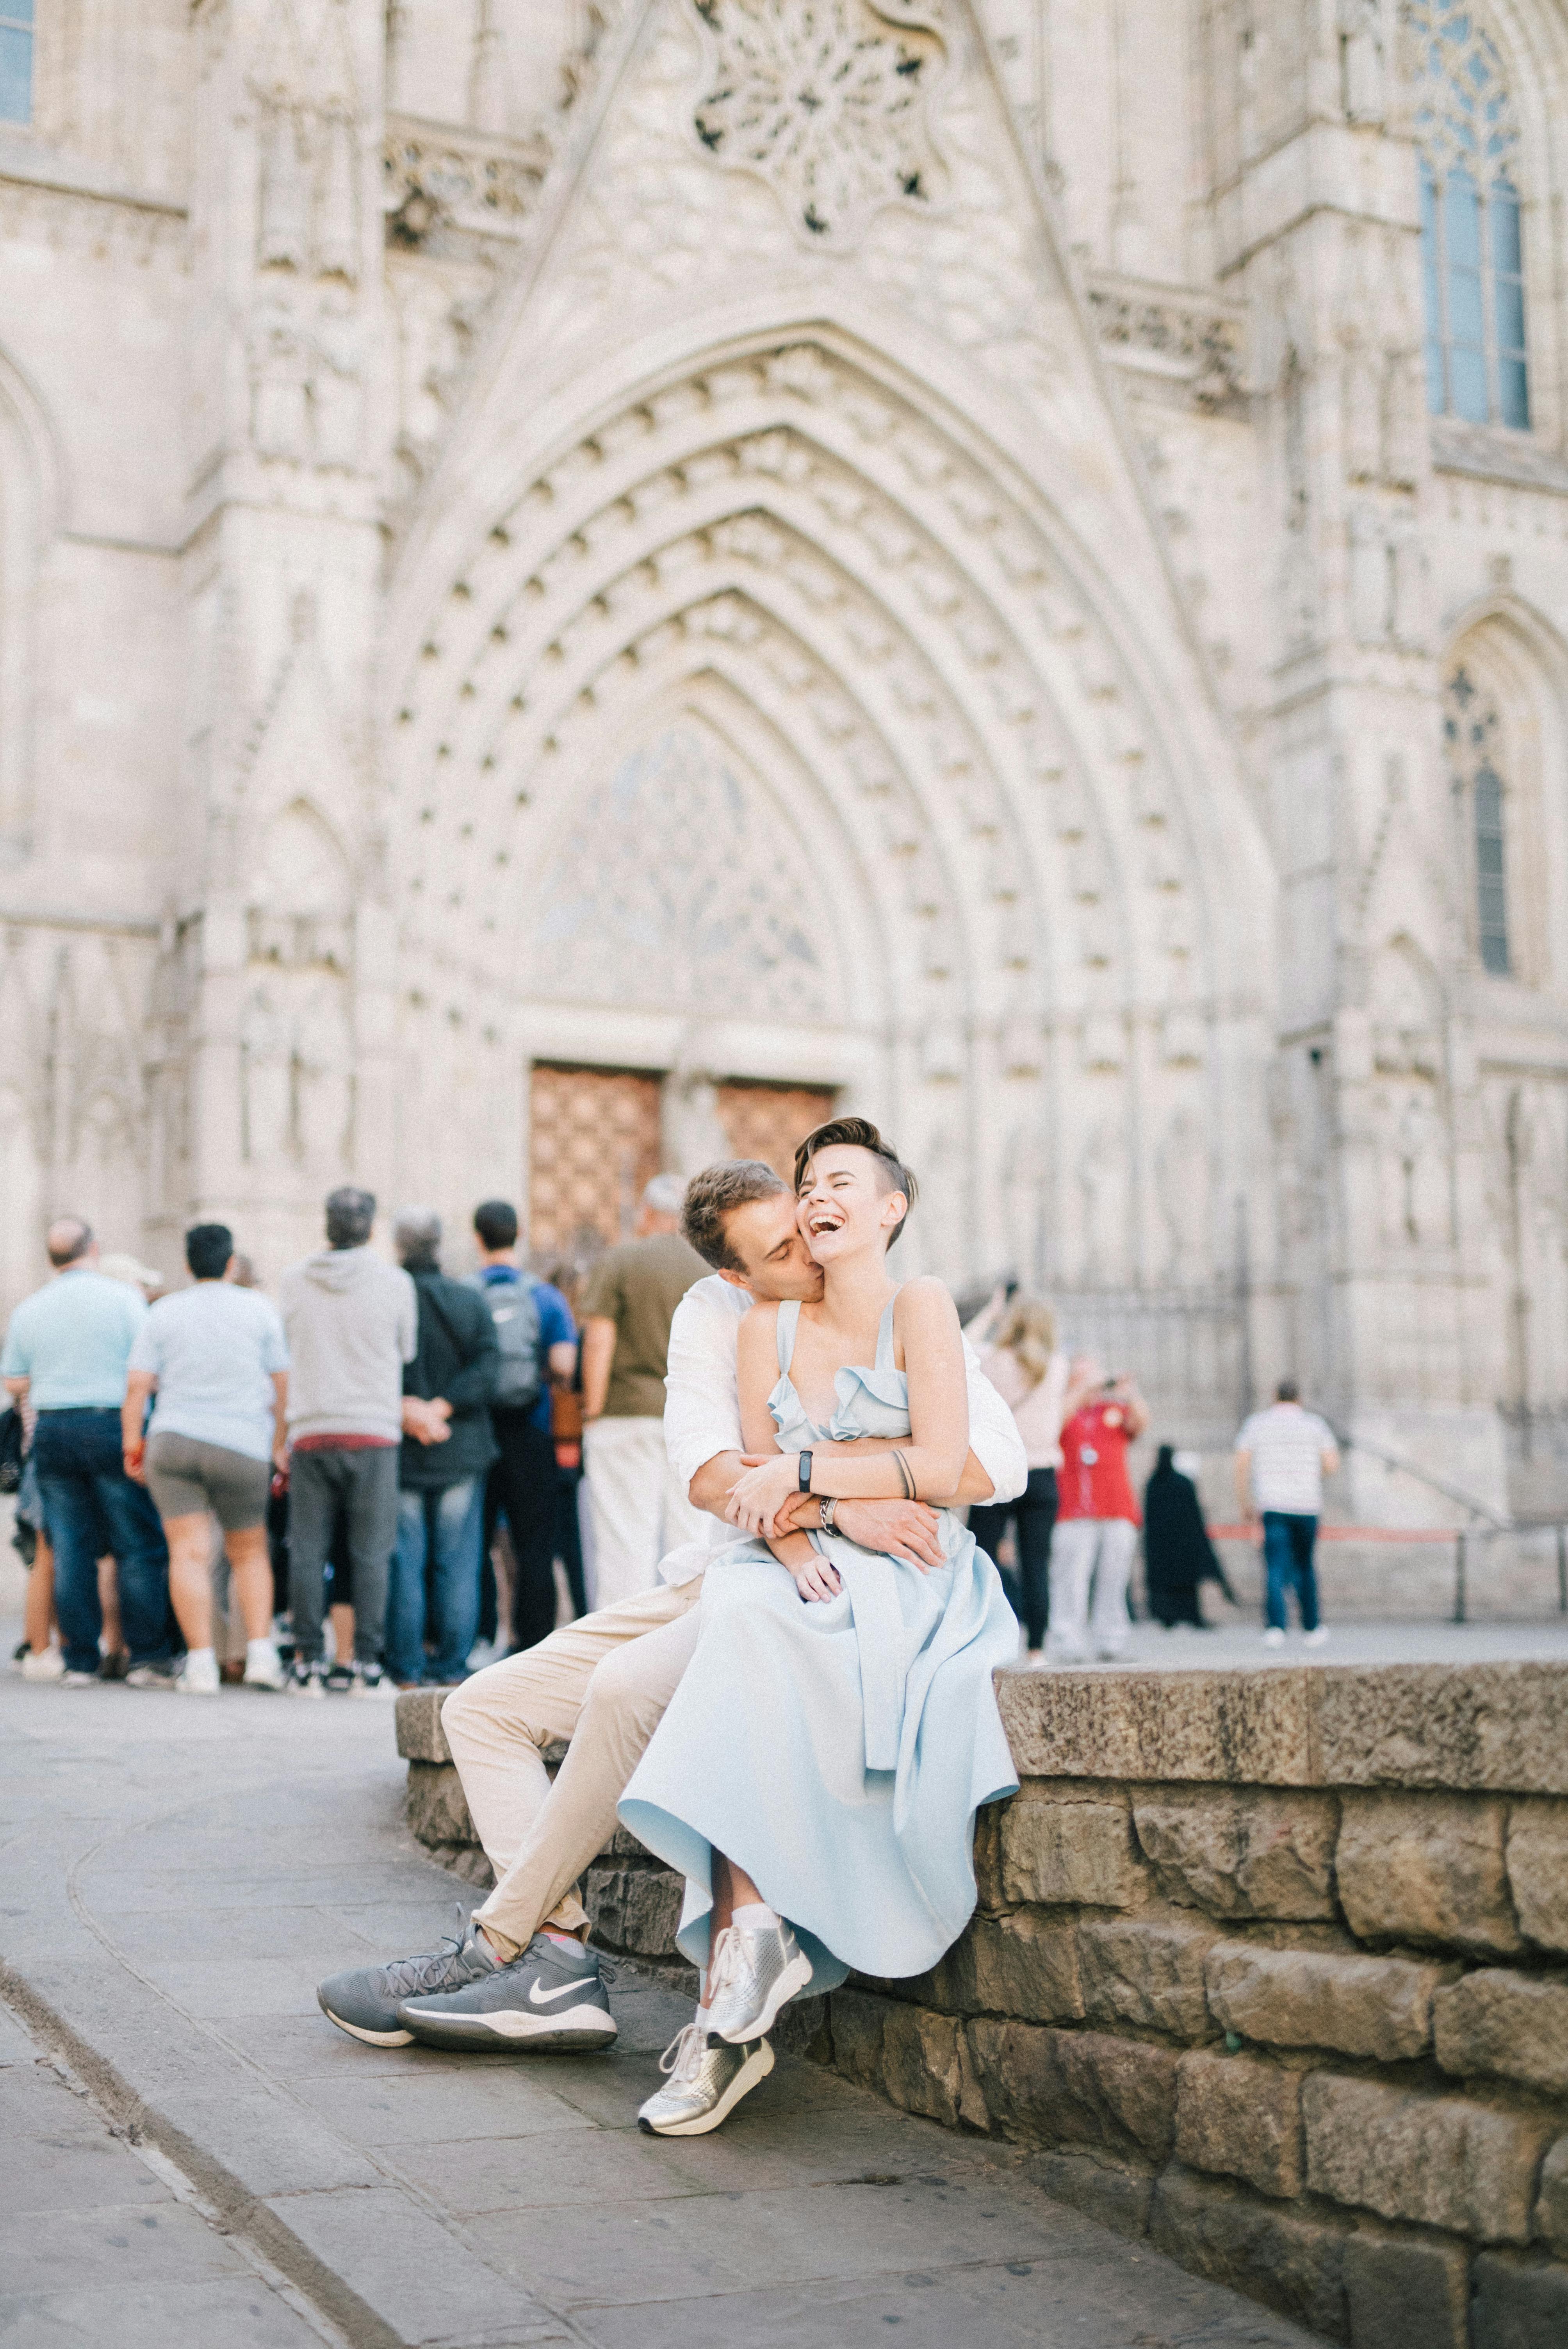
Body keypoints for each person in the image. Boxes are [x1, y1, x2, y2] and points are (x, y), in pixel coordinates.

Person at [314, 1151, 1025, 2118]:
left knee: (620, 1692)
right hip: (724, 1567)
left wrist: (821, 1492)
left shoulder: (899, 1306)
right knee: (481, 1710)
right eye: (781, 1245)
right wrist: (829, 1507)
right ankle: (556, 1956)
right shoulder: (720, 1318)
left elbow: (993, 1462)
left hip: (785, 1588)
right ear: (734, 1274)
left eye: (810, 1216)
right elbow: (705, 1467)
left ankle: (501, 1946)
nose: (808, 1245)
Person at [618, 1119, 1019, 2136]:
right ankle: (750, 1933)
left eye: (841, 1179)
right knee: (747, 1615)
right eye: (807, 1184)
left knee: (767, 1633)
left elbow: (940, 1467)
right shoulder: (763, 1332)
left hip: (918, 1572)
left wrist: (803, 1473)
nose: (817, 1196)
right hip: (793, 1557)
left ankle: (735, 1993)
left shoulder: (923, 1306)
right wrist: (815, 1527)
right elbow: (753, 1501)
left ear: (891, 1208)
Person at [0, 1219, 175, 1687]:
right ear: (94, 1249)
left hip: (54, 1427)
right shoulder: (123, 1300)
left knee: (71, 1547)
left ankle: (79, 1659)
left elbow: (13, 1378)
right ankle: (147, 1658)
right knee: (136, 1543)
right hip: (111, 1422)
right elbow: (147, 1368)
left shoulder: (30, 1308)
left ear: (50, 1258)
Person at [120, 1223, 290, 1694]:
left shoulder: (164, 1312)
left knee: (189, 1553)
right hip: (241, 1442)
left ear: (188, 1263)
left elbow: (137, 1387)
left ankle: (199, 1665)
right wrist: (278, 1442)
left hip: (174, 1440)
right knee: (250, 1552)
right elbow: (281, 1385)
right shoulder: (259, 1309)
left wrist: (133, 1444)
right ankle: (259, 1655)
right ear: (231, 1263)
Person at [279, 1187, 417, 1696]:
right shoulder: (395, 1282)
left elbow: (284, 1345)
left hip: (311, 1428)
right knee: (371, 1553)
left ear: (327, 1225)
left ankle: (308, 1664)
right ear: (371, 1227)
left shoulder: (293, 1281)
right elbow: (406, 1351)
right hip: (373, 1431)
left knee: (308, 1552)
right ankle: (365, 1665)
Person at [578, 1174, 709, 1606]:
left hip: (625, 1414)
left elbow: (599, 1336)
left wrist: (592, 1408)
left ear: (647, 1212)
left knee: (624, 1539)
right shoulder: (708, 1267)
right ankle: (687, 1641)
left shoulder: (621, 1260)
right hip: (692, 1421)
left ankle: (619, 1650)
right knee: (690, 1539)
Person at [386, 1208, 499, 1687]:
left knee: (406, 1560)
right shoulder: (467, 1299)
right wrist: (444, 1407)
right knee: (458, 1562)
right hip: (460, 1446)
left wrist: (410, 1410)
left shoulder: (389, 1300)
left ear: (397, 1246)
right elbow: (489, 1362)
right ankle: (452, 1665)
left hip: (403, 1448)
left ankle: (407, 1667)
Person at [469, 1201, 578, 1656]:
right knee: (534, 1539)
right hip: (532, 1429)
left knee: (474, 1539)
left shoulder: (467, 1293)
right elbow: (564, 1365)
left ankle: (478, 1636)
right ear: (519, 1234)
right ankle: (534, 1642)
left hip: (477, 1429)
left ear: (478, 1238)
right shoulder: (545, 1297)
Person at [966, 1293, 1071, 1660]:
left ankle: (983, 1639)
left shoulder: (993, 1361)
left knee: (982, 1558)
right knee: (1036, 1563)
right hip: (1042, 1475)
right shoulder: (1058, 1367)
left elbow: (959, 1342)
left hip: (997, 1472)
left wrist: (991, 1312)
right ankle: (1037, 1650)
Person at [1046, 1357, 1149, 1663]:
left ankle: (1111, 1639)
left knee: (1114, 1578)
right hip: (1074, 1509)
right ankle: (1067, 1639)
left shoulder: (1113, 1412)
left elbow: (1141, 1423)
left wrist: (1129, 1390)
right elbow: (1055, 1421)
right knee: (1070, 1579)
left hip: (1116, 1508)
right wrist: (1082, 1390)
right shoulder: (1062, 1410)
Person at [1234, 1379, 1339, 1648]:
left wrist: (1245, 1502)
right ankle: (1312, 1627)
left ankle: (1276, 1627)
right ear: (1299, 1398)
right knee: (1305, 1565)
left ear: (1274, 1396)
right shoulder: (1315, 1425)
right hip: (1307, 1504)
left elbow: (1242, 1464)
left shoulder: (1257, 1424)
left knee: (1275, 1566)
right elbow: (1331, 1463)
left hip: (1273, 1503)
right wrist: (1310, 1477)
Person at [1143, 1445, 1234, 1629]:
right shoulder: (1183, 1483)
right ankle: (1187, 1616)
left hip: (1162, 1548)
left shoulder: (1153, 1484)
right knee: (1185, 1585)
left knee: (1167, 1584)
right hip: (1184, 1546)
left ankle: (1168, 1617)